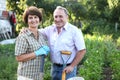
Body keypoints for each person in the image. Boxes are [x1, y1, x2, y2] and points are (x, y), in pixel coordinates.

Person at [21, 6, 86, 80]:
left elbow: (82, 50)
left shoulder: (74, 31)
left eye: (60, 16)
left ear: (67, 17)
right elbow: (36, 32)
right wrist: (26, 29)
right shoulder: (50, 29)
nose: (58, 19)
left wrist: (72, 66)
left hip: (68, 69)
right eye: (56, 17)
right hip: (55, 68)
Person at [15, 6, 50, 80]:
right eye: (30, 18)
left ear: (39, 19)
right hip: (26, 76)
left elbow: (43, 54)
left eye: (35, 17)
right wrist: (36, 53)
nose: (33, 20)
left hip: (39, 76)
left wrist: (45, 52)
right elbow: (18, 58)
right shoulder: (23, 36)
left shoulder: (41, 36)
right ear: (27, 20)